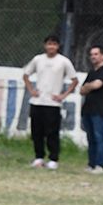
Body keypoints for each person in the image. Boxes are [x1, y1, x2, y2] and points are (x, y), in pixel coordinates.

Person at [21, 35, 77, 170]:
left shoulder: (63, 61)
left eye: (54, 44)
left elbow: (74, 80)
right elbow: (26, 75)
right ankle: (39, 157)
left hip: (52, 103)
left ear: (58, 46)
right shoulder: (38, 59)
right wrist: (31, 90)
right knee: (36, 132)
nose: (51, 47)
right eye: (49, 44)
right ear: (45, 45)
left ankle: (53, 159)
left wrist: (63, 95)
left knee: (52, 132)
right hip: (37, 102)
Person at [79, 45, 103, 174]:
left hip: (99, 110)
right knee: (90, 138)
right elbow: (82, 90)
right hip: (87, 109)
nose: (93, 57)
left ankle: (100, 165)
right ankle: (91, 164)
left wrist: (89, 86)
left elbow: (97, 84)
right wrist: (90, 86)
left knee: (99, 137)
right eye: (91, 54)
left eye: (96, 54)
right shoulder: (92, 72)